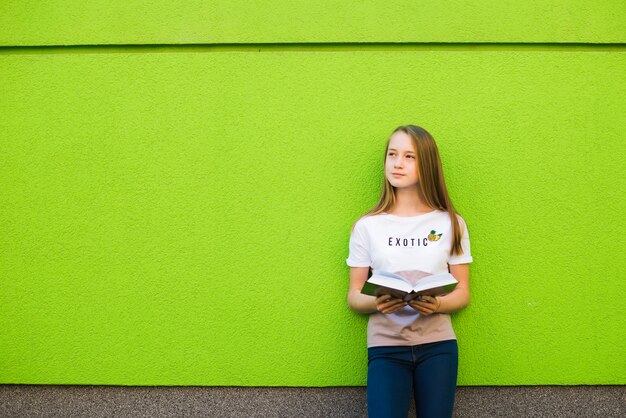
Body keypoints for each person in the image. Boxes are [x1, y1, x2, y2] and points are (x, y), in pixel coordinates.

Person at [345, 125, 473, 418]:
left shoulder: (451, 223)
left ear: (426, 164)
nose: (397, 163)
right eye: (392, 154)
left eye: (409, 156)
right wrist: (376, 302)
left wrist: (438, 304)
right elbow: (354, 295)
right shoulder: (367, 226)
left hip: (438, 347)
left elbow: (463, 291)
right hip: (385, 349)